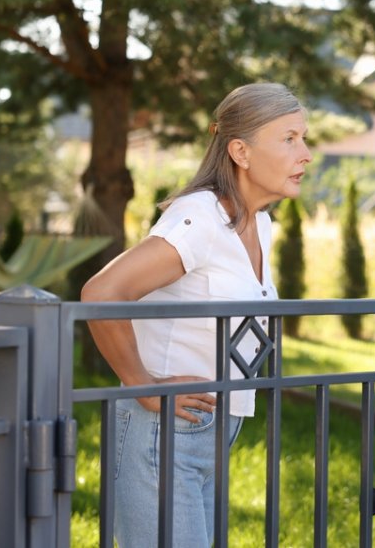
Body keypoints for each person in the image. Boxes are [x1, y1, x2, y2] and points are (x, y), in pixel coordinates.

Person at [81, 82, 311, 547]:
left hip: (212, 437)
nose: (305, 154)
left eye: (304, 138)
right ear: (240, 152)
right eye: (289, 139)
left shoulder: (260, 223)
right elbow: (102, 292)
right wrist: (142, 384)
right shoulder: (199, 217)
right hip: (163, 435)